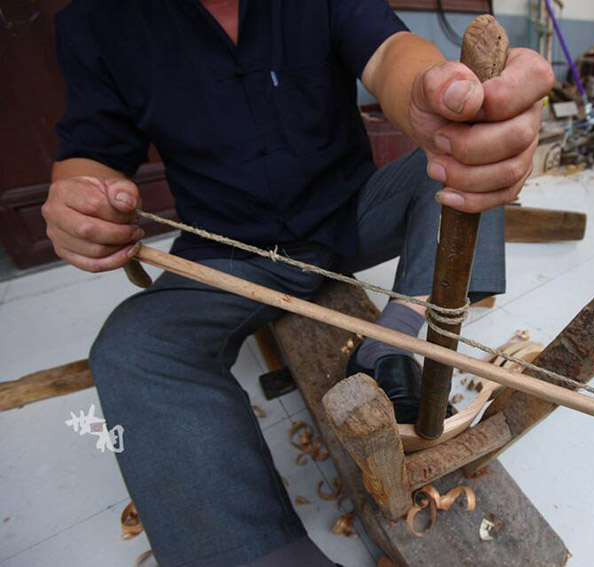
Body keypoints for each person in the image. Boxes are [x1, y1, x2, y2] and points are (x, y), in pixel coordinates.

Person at [42, 1, 553, 565]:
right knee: (132, 348)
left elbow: (391, 54)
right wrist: (81, 201)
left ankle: (391, 342)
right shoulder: (96, 20)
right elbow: (91, 152)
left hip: (348, 216)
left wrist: (439, 100)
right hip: (227, 250)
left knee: (468, 170)